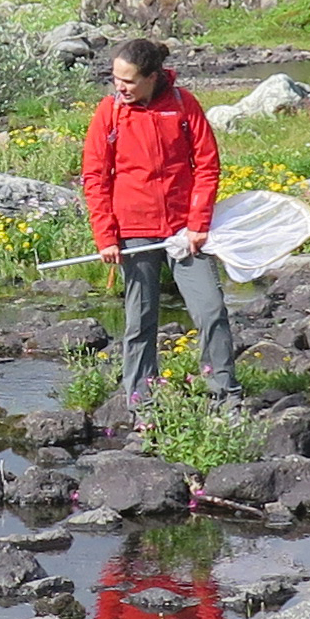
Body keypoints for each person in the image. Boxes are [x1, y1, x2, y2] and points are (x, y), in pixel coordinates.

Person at [80, 38, 239, 405]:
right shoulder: (109, 113)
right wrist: (105, 237)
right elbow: (95, 177)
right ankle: (140, 399)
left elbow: (207, 166)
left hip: (185, 232)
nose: (120, 87)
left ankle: (224, 393)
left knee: (211, 309)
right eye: (115, 78)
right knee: (140, 320)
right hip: (133, 232)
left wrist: (198, 223)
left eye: (129, 80)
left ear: (152, 77)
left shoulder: (184, 105)